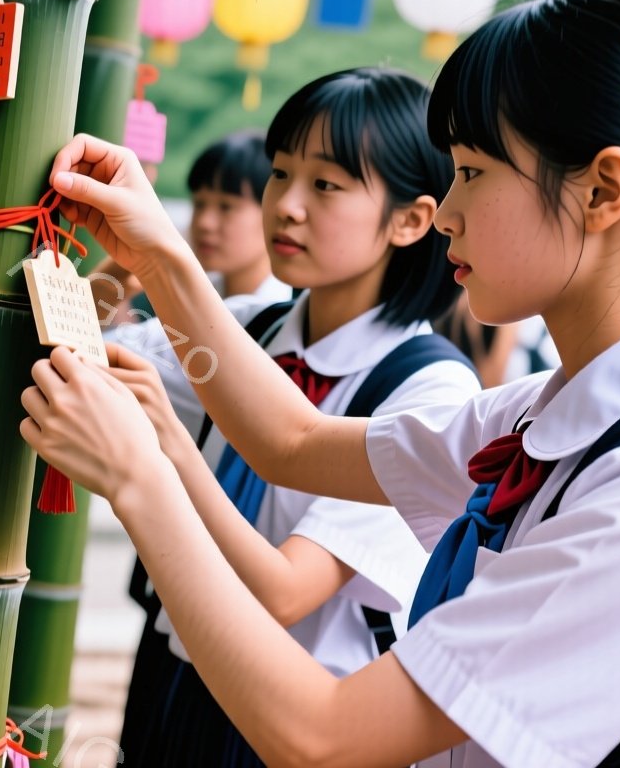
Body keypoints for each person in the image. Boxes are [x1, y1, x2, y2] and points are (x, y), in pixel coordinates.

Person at [20, 0, 620, 766]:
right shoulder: (555, 417)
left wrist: (140, 473)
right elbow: (292, 439)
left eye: (471, 171)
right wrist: (160, 254)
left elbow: (324, 738)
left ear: (603, 191)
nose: (448, 213)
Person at [108, 68, 480, 765]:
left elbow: (284, 591)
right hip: (174, 675)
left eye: (327, 185)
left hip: (295, 713)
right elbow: (95, 353)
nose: (287, 205)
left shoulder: (427, 395)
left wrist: (171, 454)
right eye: (281, 175)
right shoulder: (250, 331)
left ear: (411, 219)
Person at [95, 131, 288, 329]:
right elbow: (141, 344)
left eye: (226, 206)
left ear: (273, 211)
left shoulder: (283, 316)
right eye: (199, 204)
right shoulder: (198, 292)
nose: (205, 222)